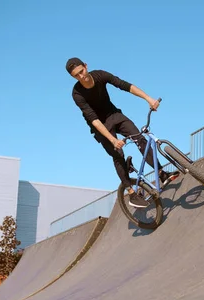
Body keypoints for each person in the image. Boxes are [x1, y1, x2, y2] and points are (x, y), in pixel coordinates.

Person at [65, 57, 179, 208]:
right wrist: (113, 140)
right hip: (100, 126)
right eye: (76, 76)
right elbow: (93, 119)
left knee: (140, 138)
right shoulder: (77, 93)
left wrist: (148, 98)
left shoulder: (100, 75)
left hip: (114, 115)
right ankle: (132, 193)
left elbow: (124, 85)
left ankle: (161, 173)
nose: (81, 76)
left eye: (81, 71)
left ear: (86, 66)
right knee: (118, 154)